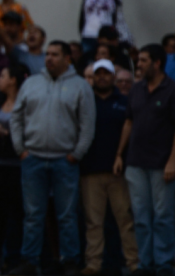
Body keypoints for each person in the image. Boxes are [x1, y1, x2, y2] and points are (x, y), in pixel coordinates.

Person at [9, 42, 96, 276]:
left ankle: (69, 261)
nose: (49, 58)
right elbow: (16, 118)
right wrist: (21, 149)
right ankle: (30, 261)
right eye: (47, 54)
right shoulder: (31, 83)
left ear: (67, 58)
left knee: (67, 216)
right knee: (33, 215)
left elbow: (88, 124)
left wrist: (76, 154)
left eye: (55, 55)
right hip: (33, 158)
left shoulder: (80, 86)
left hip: (64, 160)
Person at [114, 44, 175, 276]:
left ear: (157, 63)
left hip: (162, 163)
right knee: (140, 217)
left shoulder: (171, 90)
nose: (138, 65)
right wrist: (120, 154)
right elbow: (128, 122)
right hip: (136, 161)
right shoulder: (136, 90)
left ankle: (164, 263)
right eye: (138, 60)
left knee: (163, 216)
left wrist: (173, 161)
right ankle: (145, 264)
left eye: (143, 61)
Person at [78, 60, 138, 275]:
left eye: (106, 73)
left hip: (118, 171)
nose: (102, 77)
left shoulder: (125, 101)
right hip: (90, 171)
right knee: (93, 222)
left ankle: (133, 263)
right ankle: (93, 264)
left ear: (114, 76)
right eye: (98, 73)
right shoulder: (84, 102)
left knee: (125, 220)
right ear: (92, 77)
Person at [0, 65, 29, 275]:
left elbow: (31, 132)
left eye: (2, 76)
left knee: (16, 214)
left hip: (18, 166)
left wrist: (7, 133)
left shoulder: (27, 104)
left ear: (13, 80)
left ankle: (14, 258)